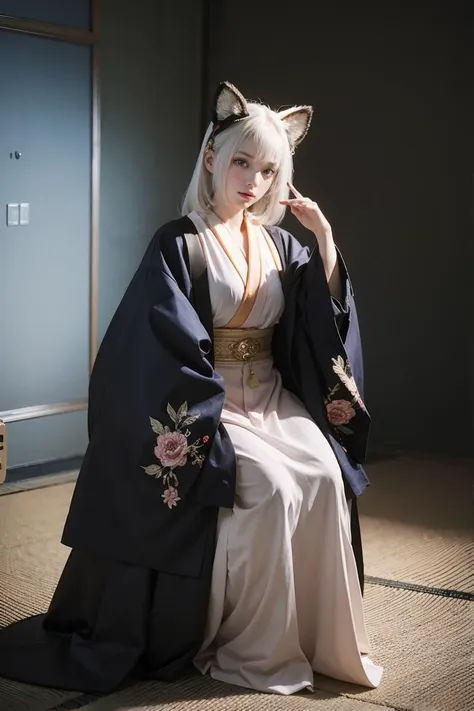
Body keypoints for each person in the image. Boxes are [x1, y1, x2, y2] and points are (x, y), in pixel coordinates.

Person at [0, 81, 382, 695]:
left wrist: (326, 241)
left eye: (268, 169)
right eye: (240, 162)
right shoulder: (179, 243)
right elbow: (156, 345)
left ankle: (316, 642)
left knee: (323, 475)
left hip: (273, 399)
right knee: (274, 490)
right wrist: (205, 412)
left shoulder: (282, 243)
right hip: (212, 403)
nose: (253, 181)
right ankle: (254, 647)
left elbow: (319, 326)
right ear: (211, 157)